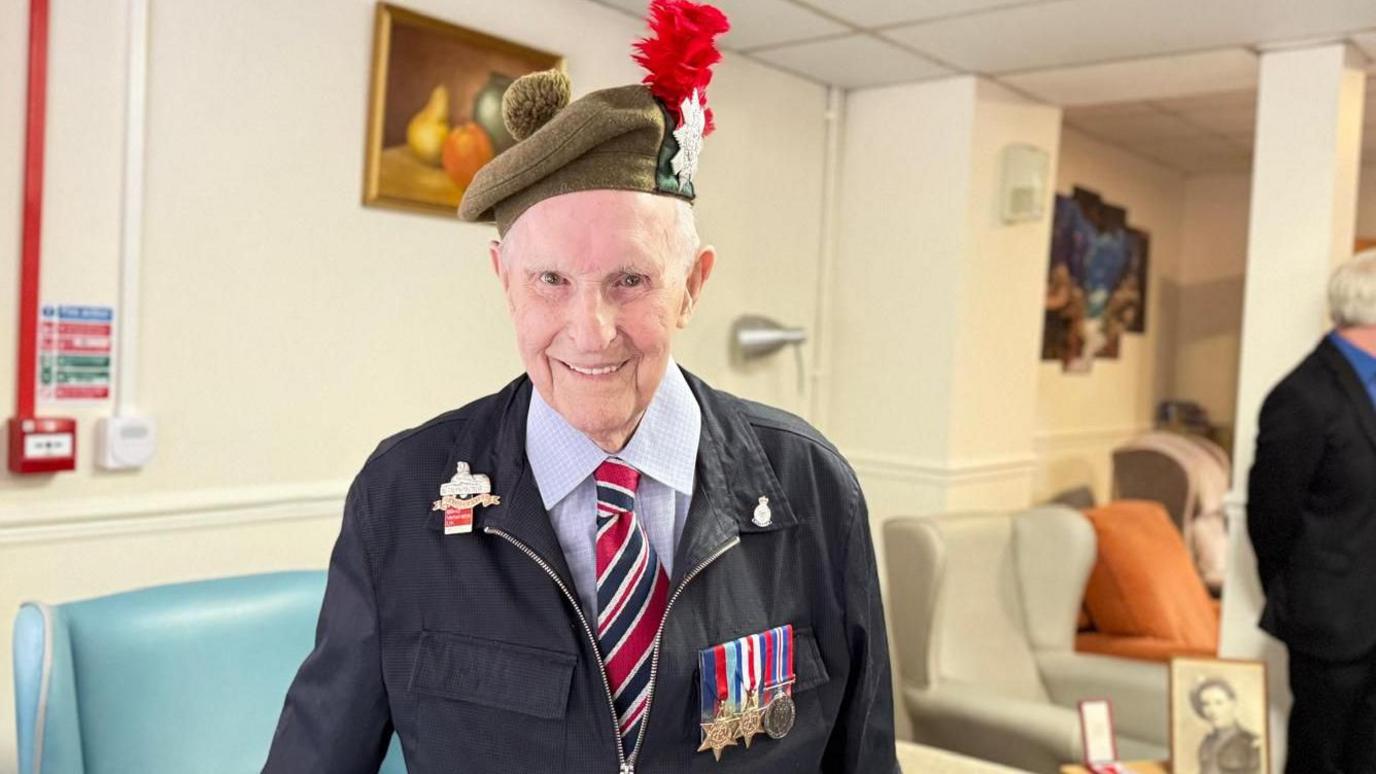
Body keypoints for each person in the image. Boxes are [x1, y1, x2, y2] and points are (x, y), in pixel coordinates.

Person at [261, 2, 897, 772]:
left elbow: (863, 758)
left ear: (692, 287)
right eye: (551, 280)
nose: (591, 331)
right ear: (504, 281)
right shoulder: (401, 496)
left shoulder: (811, 487)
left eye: (630, 280)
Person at [1248, 250, 1376, 774]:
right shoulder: (1302, 395)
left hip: (1372, 614)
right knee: (1320, 757)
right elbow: (1270, 517)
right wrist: (1305, 595)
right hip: (1330, 622)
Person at [1191, 678, 1261, 774]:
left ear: (1233, 704)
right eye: (1206, 704)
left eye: (1219, 703)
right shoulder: (1207, 742)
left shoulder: (1252, 743)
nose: (1212, 711)